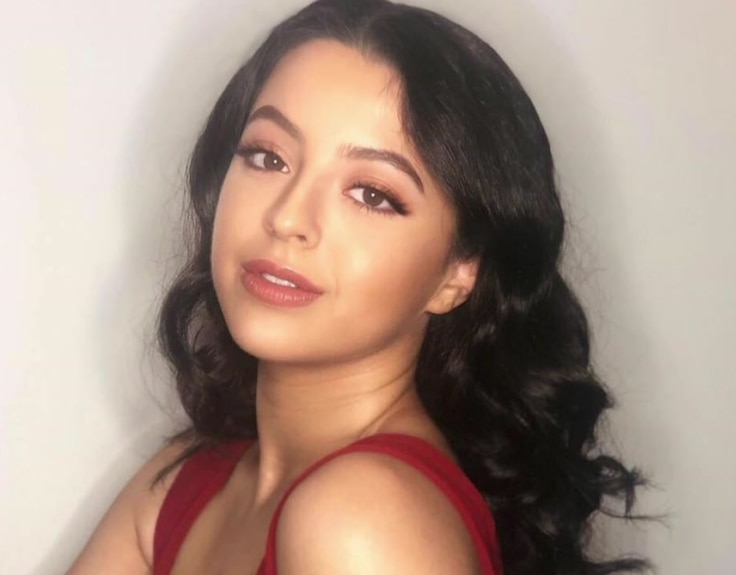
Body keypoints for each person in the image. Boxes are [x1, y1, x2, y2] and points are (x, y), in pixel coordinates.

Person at [68, 0, 651, 573]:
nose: (289, 218)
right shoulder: (182, 480)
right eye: (268, 157)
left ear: (457, 274)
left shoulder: (362, 522)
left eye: (371, 194)